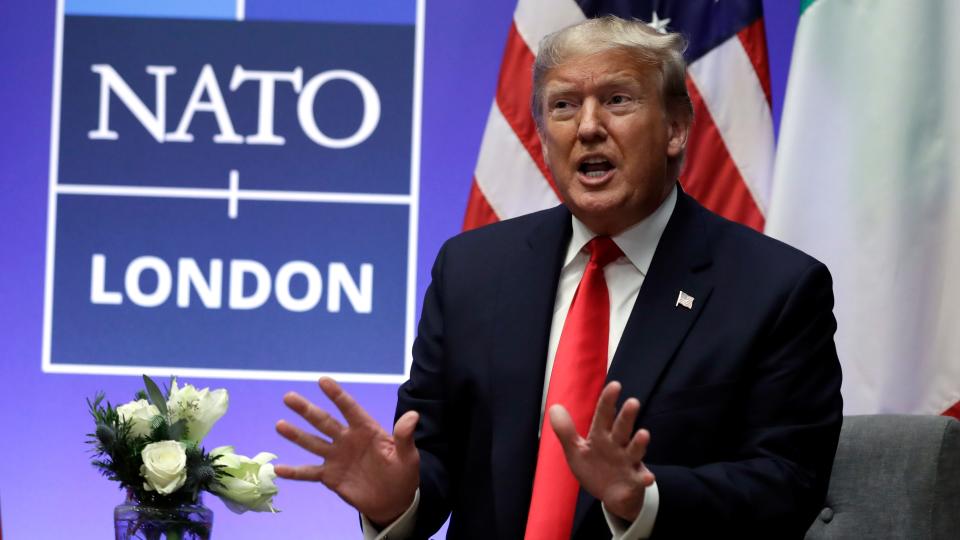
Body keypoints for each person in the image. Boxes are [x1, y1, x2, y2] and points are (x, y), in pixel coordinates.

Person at [275, 16, 842, 539]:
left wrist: (643, 497)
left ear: (674, 128)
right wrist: (398, 498)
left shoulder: (775, 289)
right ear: (543, 136)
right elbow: (432, 455)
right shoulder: (472, 269)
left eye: (617, 100)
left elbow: (789, 481)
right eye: (564, 106)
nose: (589, 127)